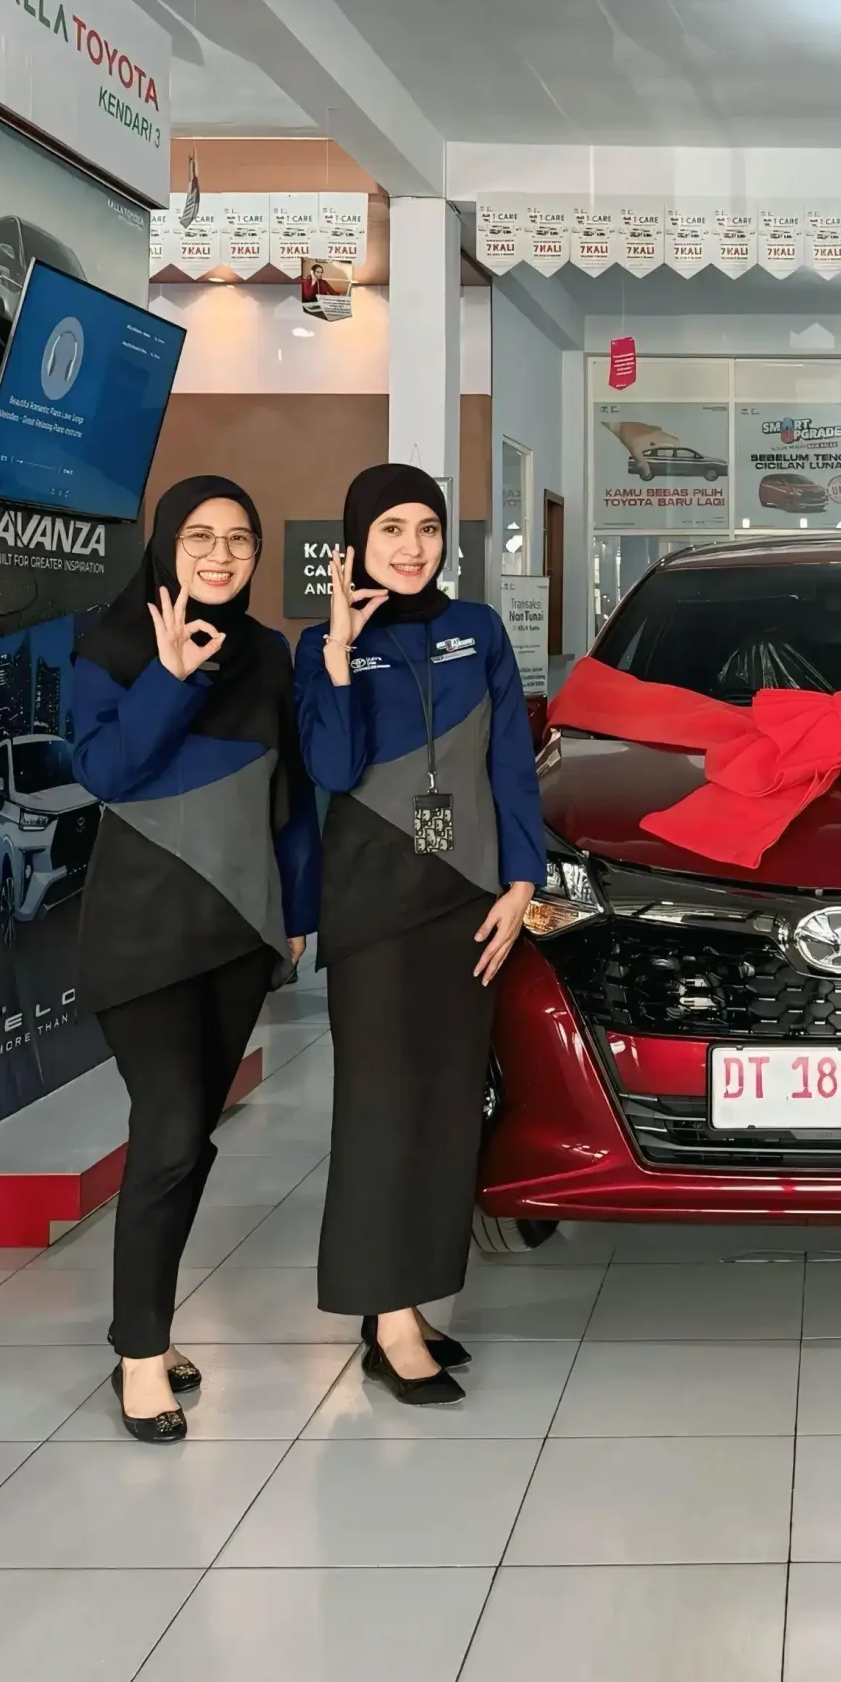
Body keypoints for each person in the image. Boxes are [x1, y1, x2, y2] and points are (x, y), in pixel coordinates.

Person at [72, 476, 319, 1443]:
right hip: (142, 936)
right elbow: (105, 771)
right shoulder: (113, 644)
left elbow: (290, 795)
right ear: (167, 544)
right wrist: (170, 676)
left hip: (236, 934)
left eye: (239, 540)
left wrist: (297, 913)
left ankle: (148, 1325)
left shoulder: (265, 652)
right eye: (201, 537)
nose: (221, 555)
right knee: (171, 1133)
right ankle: (139, 1355)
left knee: (190, 1140)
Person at [295, 464, 544, 1406]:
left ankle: (412, 1300)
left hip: (469, 897)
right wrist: (337, 652)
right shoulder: (323, 642)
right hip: (375, 906)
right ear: (355, 543)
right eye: (391, 529)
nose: (411, 547)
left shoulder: (478, 629)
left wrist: (522, 882)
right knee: (379, 1109)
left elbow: (512, 760)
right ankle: (386, 1316)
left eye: (427, 529)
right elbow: (332, 765)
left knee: (448, 1107)